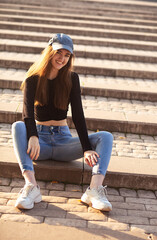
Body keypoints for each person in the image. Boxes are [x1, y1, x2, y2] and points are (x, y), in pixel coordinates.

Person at [12, 33, 113, 211]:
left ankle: (94, 190)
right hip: (39, 144)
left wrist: (87, 148)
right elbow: (27, 113)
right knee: (18, 126)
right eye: (60, 53)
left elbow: (78, 115)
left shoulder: (71, 78)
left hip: (63, 142)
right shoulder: (33, 79)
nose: (62, 58)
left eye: (67, 55)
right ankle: (31, 187)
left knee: (105, 137)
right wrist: (33, 136)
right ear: (50, 51)